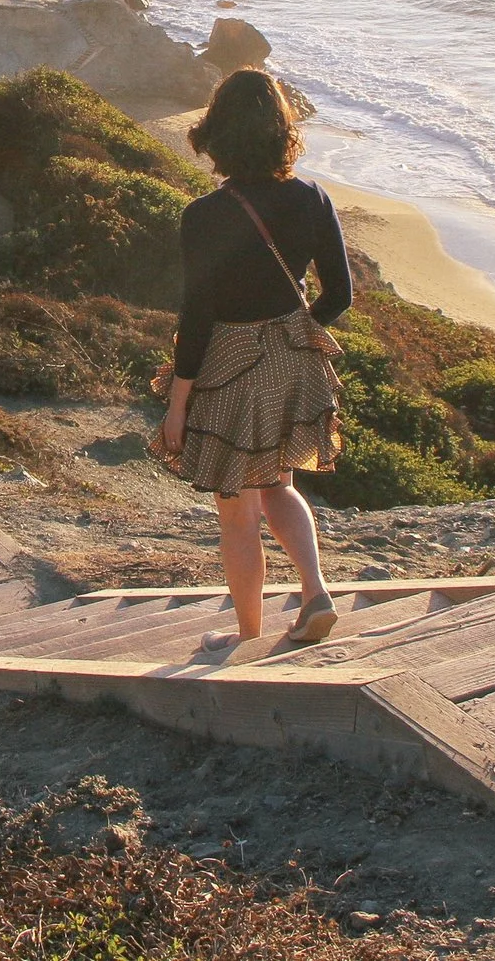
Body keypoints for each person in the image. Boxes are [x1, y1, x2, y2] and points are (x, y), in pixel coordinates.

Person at [154, 67, 351, 649]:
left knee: (235, 506)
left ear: (217, 133)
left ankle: (244, 637)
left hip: (229, 363)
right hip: (292, 360)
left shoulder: (204, 216)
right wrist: (294, 331)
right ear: (280, 130)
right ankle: (315, 592)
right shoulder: (313, 198)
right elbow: (339, 295)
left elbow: (198, 317)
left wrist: (177, 404)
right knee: (278, 484)